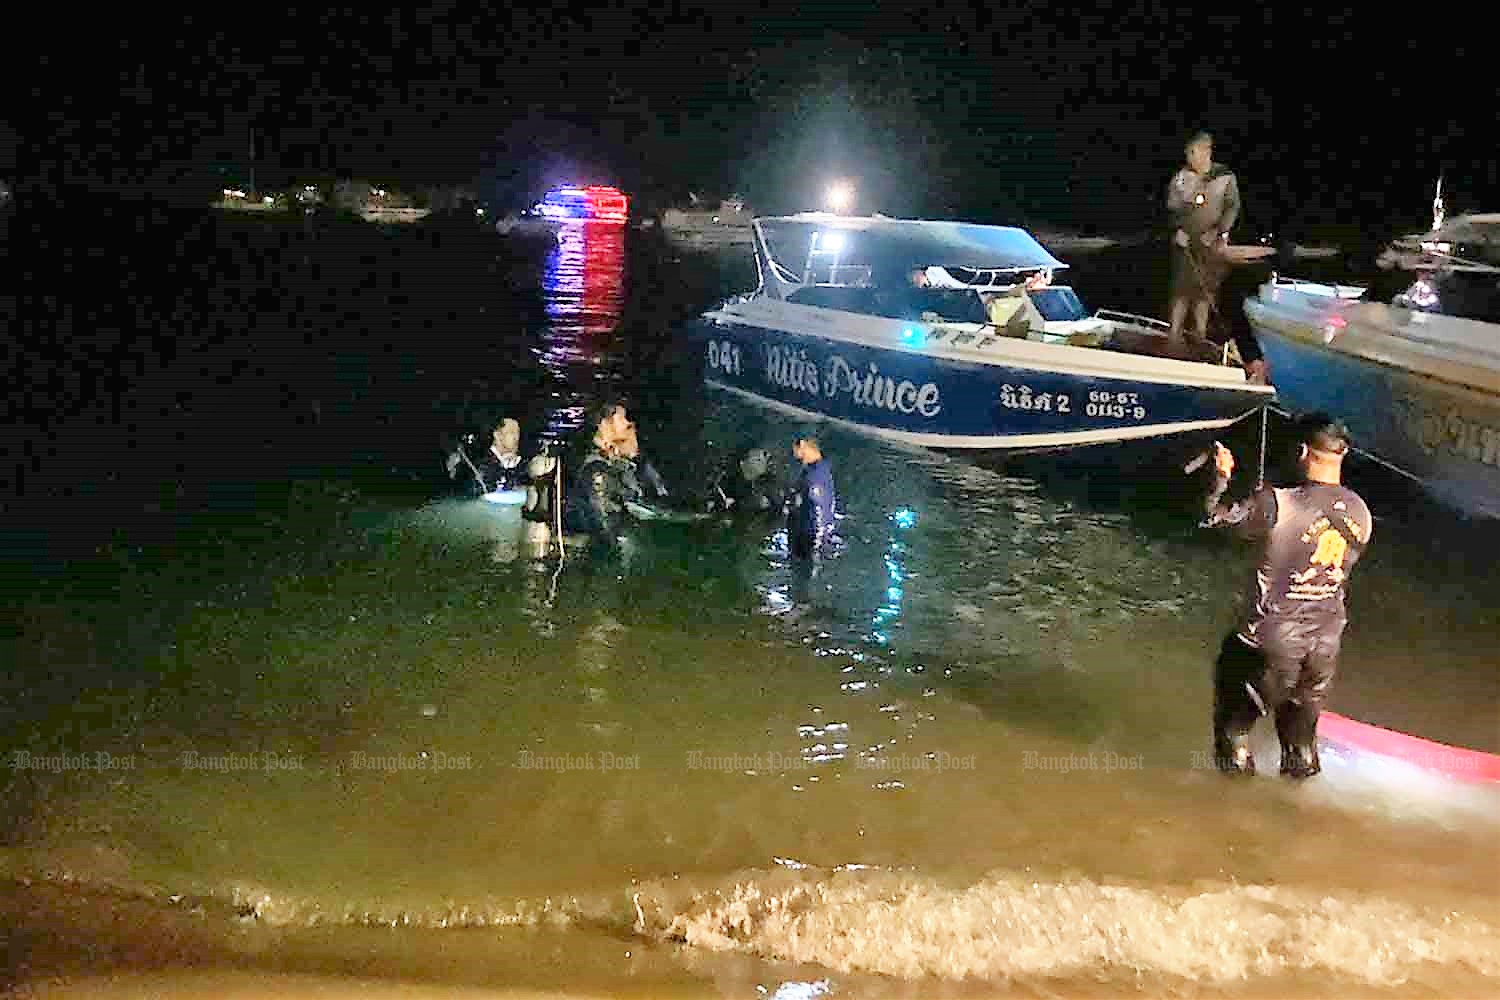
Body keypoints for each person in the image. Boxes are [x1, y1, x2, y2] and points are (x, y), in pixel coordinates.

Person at [1201, 414, 1373, 778]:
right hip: (1323, 647)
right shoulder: (1361, 510)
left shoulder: (1277, 503)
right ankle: (1297, 817)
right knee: (1300, 746)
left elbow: (1214, 520)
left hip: (1266, 644)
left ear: (1301, 451)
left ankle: (1229, 819)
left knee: (1233, 735)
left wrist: (1221, 477)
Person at [1167, 131, 1241, 350]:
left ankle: (1201, 335)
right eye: (1188, 153)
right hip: (1185, 242)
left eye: (1194, 152)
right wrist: (1178, 229)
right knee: (1180, 290)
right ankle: (1173, 334)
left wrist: (1220, 231)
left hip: (1211, 243)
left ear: (1206, 151)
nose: (1190, 158)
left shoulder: (1225, 176)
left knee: (1205, 291)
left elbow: (1232, 207)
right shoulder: (1181, 177)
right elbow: (1172, 209)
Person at [786, 432, 837, 563]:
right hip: (810, 536)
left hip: (808, 543)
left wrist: (815, 548)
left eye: (793, 447)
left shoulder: (813, 478)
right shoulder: (821, 469)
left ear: (802, 444)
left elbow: (819, 513)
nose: (792, 452)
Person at [447, 417, 526, 494]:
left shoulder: (521, 463)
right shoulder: (479, 463)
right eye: (512, 432)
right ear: (497, 435)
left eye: (518, 432)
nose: (516, 437)